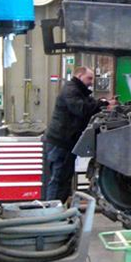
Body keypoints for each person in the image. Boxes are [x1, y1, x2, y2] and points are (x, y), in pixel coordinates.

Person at [43, 66, 107, 201]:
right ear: (79, 76)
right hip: (61, 142)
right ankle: (52, 209)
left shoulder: (79, 91)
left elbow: (89, 103)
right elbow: (82, 109)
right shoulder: (71, 90)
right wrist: (101, 104)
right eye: (89, 78)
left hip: (67, 142)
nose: (91, 82)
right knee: (58, 179)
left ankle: (59, 207)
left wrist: (103, 103)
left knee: (64, 178)